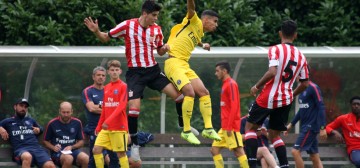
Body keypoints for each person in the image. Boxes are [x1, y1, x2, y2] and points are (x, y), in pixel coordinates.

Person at [84, 0, 196, 160]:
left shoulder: (156, 30)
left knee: (180, 97)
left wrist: (163, 49)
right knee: (134, 108)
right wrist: (96, 31)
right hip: (136, 74)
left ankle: (183, 125)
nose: (156, 19)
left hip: (153, 71)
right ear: (145, 13)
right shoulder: (127, 26)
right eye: (154, 15)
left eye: (157, 15)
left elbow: (160, 51)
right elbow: (104, 38)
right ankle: (135, 144)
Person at [244, 20, 309, 168]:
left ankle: (252, 165)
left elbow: (272, 71)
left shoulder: (275, 49)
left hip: (268, 96)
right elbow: (305, 83)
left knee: (250, 128)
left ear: (280, 33)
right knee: (275, 135)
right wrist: (291, 93)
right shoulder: (301, 56)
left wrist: (256, 86)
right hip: (286, 99)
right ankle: (285, 165)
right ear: (295, 35)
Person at [163, 0, 221, 145]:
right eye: (215, 21)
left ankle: (208, 128)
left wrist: (203, 45)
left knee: (204, 92)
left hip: (184, 65)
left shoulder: (198, 32)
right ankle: (186, 131)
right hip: (173, 62)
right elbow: (191, 8)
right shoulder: (195, 21)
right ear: (205, 19)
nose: (216, 25)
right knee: (189, 92)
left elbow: (195, 39)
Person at [210, 61, 249, 168]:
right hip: (224, 127)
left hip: (231, 127)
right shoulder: (225, 84)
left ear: (224, 71)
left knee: (239, 152)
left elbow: (234, 106)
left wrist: (229, 126)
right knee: (214, 150)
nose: (215, 73)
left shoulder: (231, 84)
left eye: (217, 71)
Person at [92, 60, 129, 168]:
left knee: (121, 154)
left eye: (116, 70)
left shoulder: (124, 86)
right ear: (108, 72)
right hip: (106, 128)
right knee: (96, 150)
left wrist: (107, 121)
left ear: (120, 71)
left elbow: (121, 106)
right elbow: (104, 109)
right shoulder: (107, 87)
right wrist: (99, 126)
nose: (114, 72)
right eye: (112, 70)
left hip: (119, 127)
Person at [0, 98, 56, 168]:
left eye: (25, 107)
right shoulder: (8, 121)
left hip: (36, 149)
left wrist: (38, 129)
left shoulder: (30, 120)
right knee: (27, 156)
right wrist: (1, 128)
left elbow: (41, 128)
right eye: (21, 105)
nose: (23, 108)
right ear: (15, 107)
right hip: (21, 150)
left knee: (50, 165)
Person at [81, 66, 119, 168]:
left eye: (103, 75)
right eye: (98, 75)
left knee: (113, 158)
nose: (101, 77)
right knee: (95, 157)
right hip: (95, 129)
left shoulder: (110, 90)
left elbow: (117, 109)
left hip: (110, 128)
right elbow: (91, 108)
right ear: (93, 77)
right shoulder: (88, 91)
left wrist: (101, 107)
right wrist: (108, 107)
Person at [284, 80, 326, 168]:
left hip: (310, 127)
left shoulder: (313, 87)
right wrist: (291, 124)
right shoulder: (301, 88)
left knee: (295, 152)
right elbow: (302, 109)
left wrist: (322, 127)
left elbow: (321, 106)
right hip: (305, 127)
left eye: (299, 72)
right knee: (314, 156)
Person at [43, 101, 89, 168]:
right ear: (59, 111)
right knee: (68, 158)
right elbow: (45, 141)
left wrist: (72, 147)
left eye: (68, 112)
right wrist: (53, 147)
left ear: (72, 111)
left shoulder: (77, 122)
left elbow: (81, 141)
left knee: (86, 158)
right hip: (58, 153)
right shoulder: (52, 123)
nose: (66, 115)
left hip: (72, 150)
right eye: (63, 112)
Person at [321, 96, 360, 167]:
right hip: (355, 149)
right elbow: (326, 127)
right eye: (354, 104)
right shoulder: (343, 118)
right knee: (358, 161)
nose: (356, 106)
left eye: (358, 104)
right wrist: (335, 132)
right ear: (351, 106)